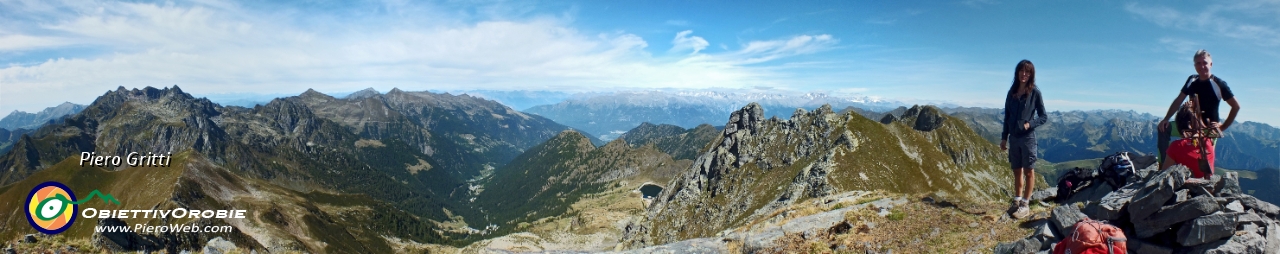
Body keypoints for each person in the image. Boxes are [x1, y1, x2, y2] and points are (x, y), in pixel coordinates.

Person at [1157, 49, 1241, 168]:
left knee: (1204, 163)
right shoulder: (1192, 79)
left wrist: (1222, 127)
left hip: (1208, 130)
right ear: (1194, 65)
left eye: (1205, 63)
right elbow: (1178, 100)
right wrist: (1166, 119)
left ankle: (1204, 181)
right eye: (1198, 63)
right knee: (1163, 129)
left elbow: (1236, 106)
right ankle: (1163, 167)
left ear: (1211, 64)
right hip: (1189, 126)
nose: (1202, 66)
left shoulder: (1218, 84)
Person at [1001, 60, 1048, 219]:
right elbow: (1007, 117)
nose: (1024, 74)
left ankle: (1025, 204)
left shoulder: (1034, 92)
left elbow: (1043, 116)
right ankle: (1017, 201)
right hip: (1014, 138)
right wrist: (1004, 138)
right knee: (1016, 171)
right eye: (1021, 71)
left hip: (1027, 138)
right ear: (1017, 72)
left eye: (1027, 72)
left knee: (1028, 171)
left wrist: (1031, 124)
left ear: (1031, 75)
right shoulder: (1011, 92)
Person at [1161, 101, 1216, 178]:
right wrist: (1191, 112)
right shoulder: (1208, 141)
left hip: (1188, 187)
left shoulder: (1176, 146)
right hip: (1209, 185)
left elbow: (1164, 174)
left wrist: (1185, 110)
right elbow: (1201, 132)